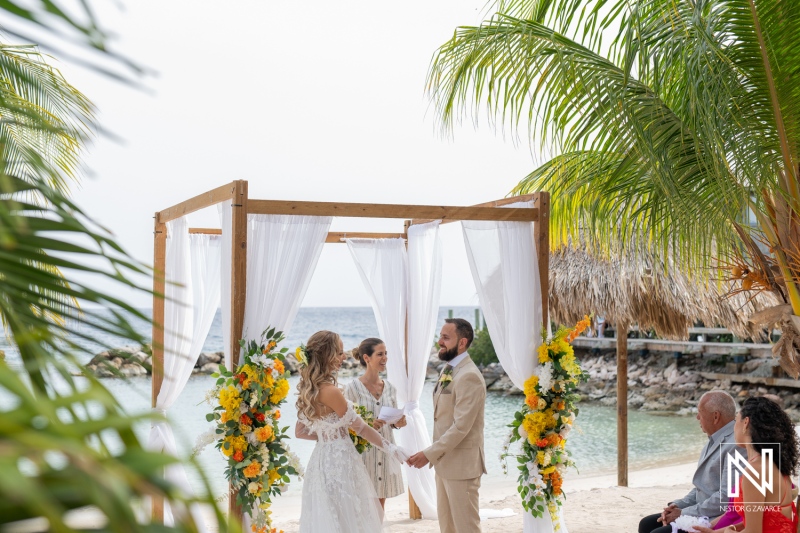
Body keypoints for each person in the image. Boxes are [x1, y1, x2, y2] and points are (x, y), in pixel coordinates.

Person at [294, 330, 409, 533]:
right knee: (353, 518)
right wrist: (391, 448)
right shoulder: (331, 391)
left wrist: (328, 435)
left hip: (320, 461)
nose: (344, 356)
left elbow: (300, 432)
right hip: (341, 462)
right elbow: (361, 428)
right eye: (339, 352)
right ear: (326, 355)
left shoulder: (308, 390)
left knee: (330, 515)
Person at [407, 318, 486, 533]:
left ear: (462, 343)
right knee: (448, 527)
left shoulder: (469, 376)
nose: (440, 341)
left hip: (462, 466)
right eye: (440, 336)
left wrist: (429, 454)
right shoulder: (449, 368)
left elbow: (461, 427)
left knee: (466, 527)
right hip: (445, 463)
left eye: (445, 337)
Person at [638, 390, 740, 533]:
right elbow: (701, 487)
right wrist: (677, 505)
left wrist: (684, 513)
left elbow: (726, 497)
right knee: (647, 524)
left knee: (656, 532)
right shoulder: (713, 440)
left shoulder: (735, 444)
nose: (697, 417)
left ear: (716, 416)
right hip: (700, 510)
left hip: (715, 518)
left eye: (700, 412)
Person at [694, 396, 799, 533]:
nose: (733, 427)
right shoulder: (772, 462)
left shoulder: (755, 471)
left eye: (736, 420)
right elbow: (756, 521)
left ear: (745, 423)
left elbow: (753, 531)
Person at [344, 338, 407, 508]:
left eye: (386, 353)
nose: (385, 358)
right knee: (362, 505)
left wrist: (398, 423)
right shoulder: (352, 388)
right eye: (380, 354)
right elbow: (344, 423)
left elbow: (392, 422)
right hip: (363, 453)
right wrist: (367, 424)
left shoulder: (390, 388)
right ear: (367, 358)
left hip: (385, 451)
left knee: (380, 505)